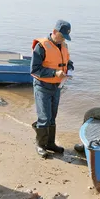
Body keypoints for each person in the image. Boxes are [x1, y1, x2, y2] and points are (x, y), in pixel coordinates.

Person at [31, 20, 74, 158]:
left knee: (52, 117)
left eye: (65, 38)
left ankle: (50, 144)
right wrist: (54, 73)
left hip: (57, 86)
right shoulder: (41, 46)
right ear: (54, 32)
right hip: (42, 87)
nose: (62, 40)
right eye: (61, 36)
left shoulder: (64, 45)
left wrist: (70, 68)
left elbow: (68, 61)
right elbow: (34, 69)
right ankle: (40, 145)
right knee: (44, 117)